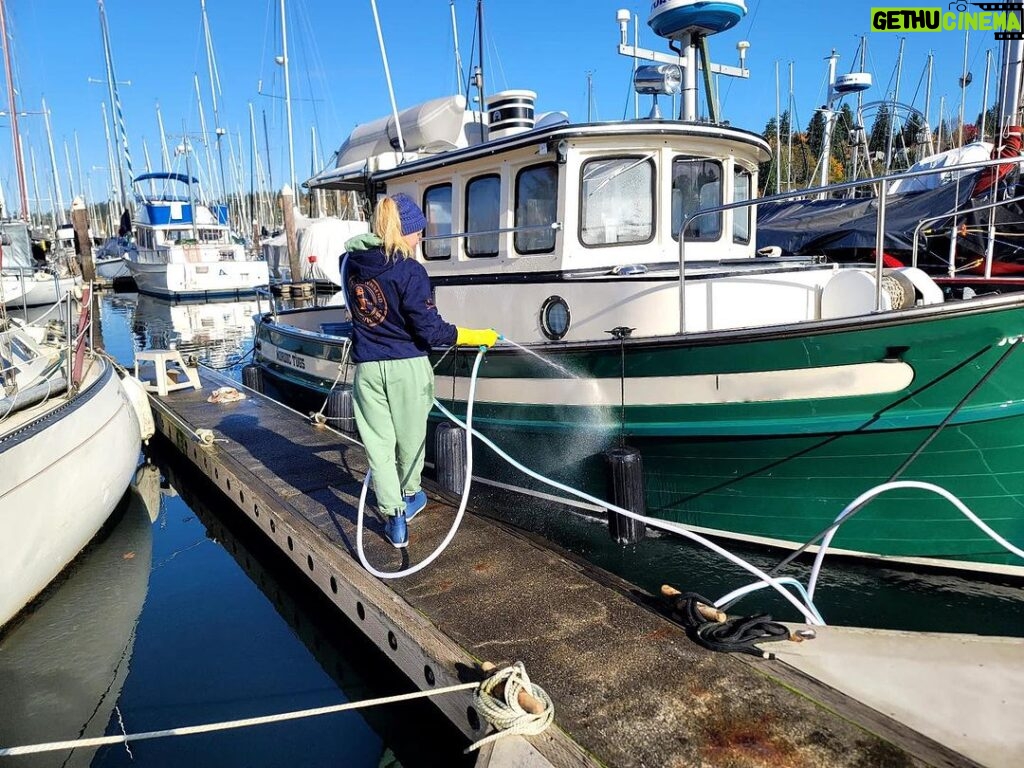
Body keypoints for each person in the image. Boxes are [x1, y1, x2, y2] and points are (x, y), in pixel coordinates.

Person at [343, 193, 498, 548]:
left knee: (379, 447)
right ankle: (411, 496)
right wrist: (473, 336)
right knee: (411, 442)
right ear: (404, 231)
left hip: (367, 370)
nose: (421, 239)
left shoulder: (351, 264)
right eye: (418, 232)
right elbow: (430, 330)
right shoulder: (410, 270)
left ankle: (395, 520)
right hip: (406, 368)